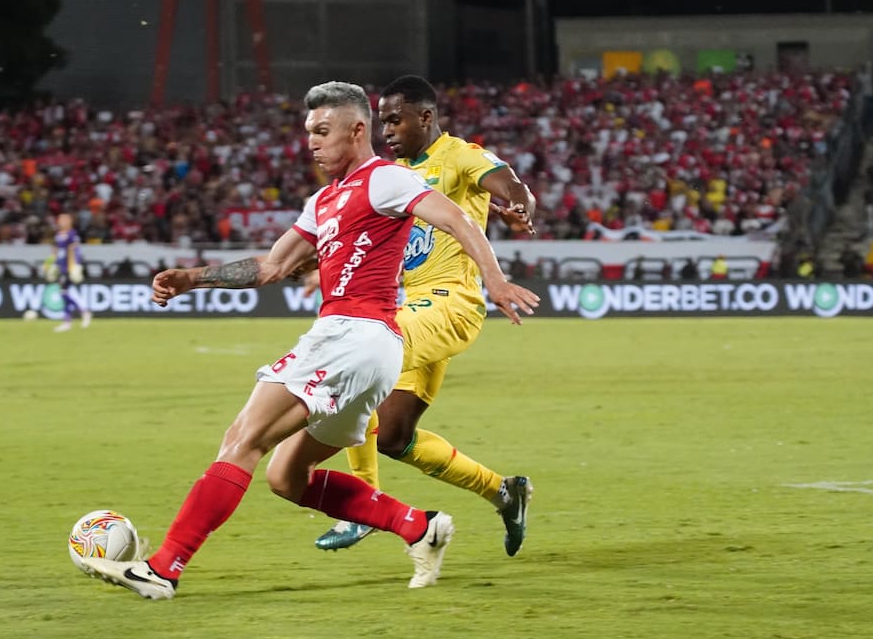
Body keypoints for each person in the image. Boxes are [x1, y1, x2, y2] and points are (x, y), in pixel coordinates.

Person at [80, 80, 541, 599]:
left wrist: (494, 280)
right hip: (372, 349)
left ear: (357, 130)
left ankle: (163, 568)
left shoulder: (384, 179)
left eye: (323, 131)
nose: (312, 143)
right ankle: (418, 525)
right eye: (309, 133)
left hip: (352, 334)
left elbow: (454, 216)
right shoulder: (324, 200)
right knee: (286, 476)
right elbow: (273, 265)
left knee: (242, 441)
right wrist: (195, 277)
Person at [310, 74, 539, 555]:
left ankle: (362, 508)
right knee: (392, 436)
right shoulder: (393, 173)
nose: (387, 130)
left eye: (395, 120)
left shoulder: (459, 155)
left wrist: (518, 204)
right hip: (412, 305)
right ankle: (504, 491)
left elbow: (509, 183)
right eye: (383, 122)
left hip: (451, 304)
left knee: (355, 363)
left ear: (426, 117)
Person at [50, 212, 92, 332]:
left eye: (64, 219)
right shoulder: (58, 234)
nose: (61, 221)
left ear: (70, 221)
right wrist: (52, 264)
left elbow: (74, 250)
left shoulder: (72, 234)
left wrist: (75, 266)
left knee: (65, 292)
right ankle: (68, 321)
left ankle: (83, 312)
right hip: (61, 266)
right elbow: (55, 250)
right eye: (60, 219)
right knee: (64, 293)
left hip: (68, 267)